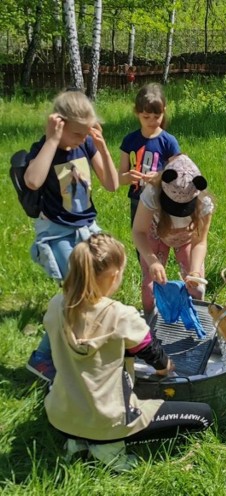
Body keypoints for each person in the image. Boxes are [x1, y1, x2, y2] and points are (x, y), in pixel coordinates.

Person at [44, 233, 212, 472]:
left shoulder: (56, 304)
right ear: (114, 276)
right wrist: (167, 367)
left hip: (61, 415)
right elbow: (152, 353)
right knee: (203, 416)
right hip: (108, 421)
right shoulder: (120, 315)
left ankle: (78, 442)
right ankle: (107, 449)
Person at [24, 89, 119, 381]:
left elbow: (112, 184)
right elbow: (32, 180)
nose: (82, 139)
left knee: (92, 290)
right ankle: (42, 358)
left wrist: (101, 148)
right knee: (78, 293)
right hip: (57, 234)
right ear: (59, 125)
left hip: (87, 229)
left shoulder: (86, 145)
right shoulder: (46, 147)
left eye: (86, 133)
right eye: (78, 134)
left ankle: (76, 347)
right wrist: (52, 140)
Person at [132, 155, 213, 320]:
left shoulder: (203, 202)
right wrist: (153, 262)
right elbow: (139, 231)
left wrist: (195, 270)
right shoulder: (152, 192)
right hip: (156, 234)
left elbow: (200, 241)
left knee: (196, 289)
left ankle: (193, 324)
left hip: (186, 239)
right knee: (150, 287)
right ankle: (150, 323)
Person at [120, 83, 181, 225]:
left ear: (164, 111)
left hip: (162, 199)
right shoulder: (129, 141)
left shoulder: (169, 142)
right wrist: (128, 177)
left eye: (156, 116)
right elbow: (120, 178)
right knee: (140, 238)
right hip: (137, 199)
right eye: (146, 117)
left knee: (161, 240)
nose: (152, 121)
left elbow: (178, 174)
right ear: (137, 113)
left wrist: (159, 177)